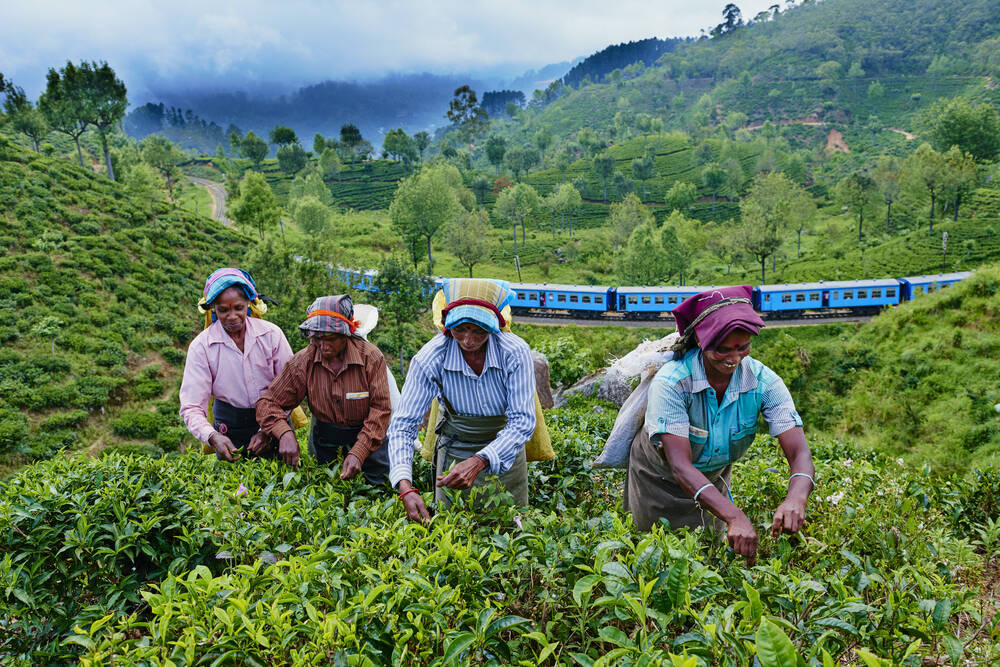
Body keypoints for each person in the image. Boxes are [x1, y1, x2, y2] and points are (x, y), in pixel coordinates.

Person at [625, 285, 815, 563]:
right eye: (722, 350)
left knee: (706, 558)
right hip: (657, 482)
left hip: (712, 482)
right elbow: (680, 466)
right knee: (653, 555)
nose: (734, 359)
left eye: (743, 347)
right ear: (700, 341)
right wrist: (735, 516)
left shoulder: (764, 383)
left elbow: (799, 453)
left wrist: (796, 499)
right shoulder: (673, 383)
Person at [387, 278, 536, 521]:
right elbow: (403, 425)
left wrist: (479, 461)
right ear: (448, 326)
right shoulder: (431, 358)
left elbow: (522, 422)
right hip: (455, 450)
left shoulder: (514, 352)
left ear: (493, 327)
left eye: (479, 331)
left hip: (505, 453)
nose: (468, 340)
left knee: (509, 527)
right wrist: (405, 487)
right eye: (460, 330)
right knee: (454, 527)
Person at [255, 295, 392, 483]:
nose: (324, 346)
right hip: (325, 442)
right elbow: (268, 403)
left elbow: (381, 409)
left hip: (370, 442)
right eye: (317, 338)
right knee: (326, 488)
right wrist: (284, 433)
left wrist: (359, 451)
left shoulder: (370, 358)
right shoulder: (303, 361)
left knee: (375, 489)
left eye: (331, 338)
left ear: (346, 334)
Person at [179, 268, 293, 462]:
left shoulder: (271, 335)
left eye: (238, 308)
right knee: (235, 480)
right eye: (223, 310)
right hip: (229, 430)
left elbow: (289, 388)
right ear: (213, 308)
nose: (232, 316)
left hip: (276, 423)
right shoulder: (202, 347)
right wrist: (213, 437)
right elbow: (192, 406)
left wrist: (267, 430)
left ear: (248, 304)